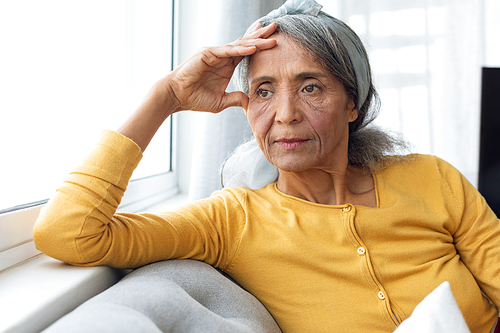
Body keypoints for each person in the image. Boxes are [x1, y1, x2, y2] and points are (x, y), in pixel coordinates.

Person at [33, 0, 500, 332]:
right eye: (262, 91)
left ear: (353, 103)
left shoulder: (431, 178)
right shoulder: (230, 220)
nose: (284, 114)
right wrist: (165, 98)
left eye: (311, 87)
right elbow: (68, 233)